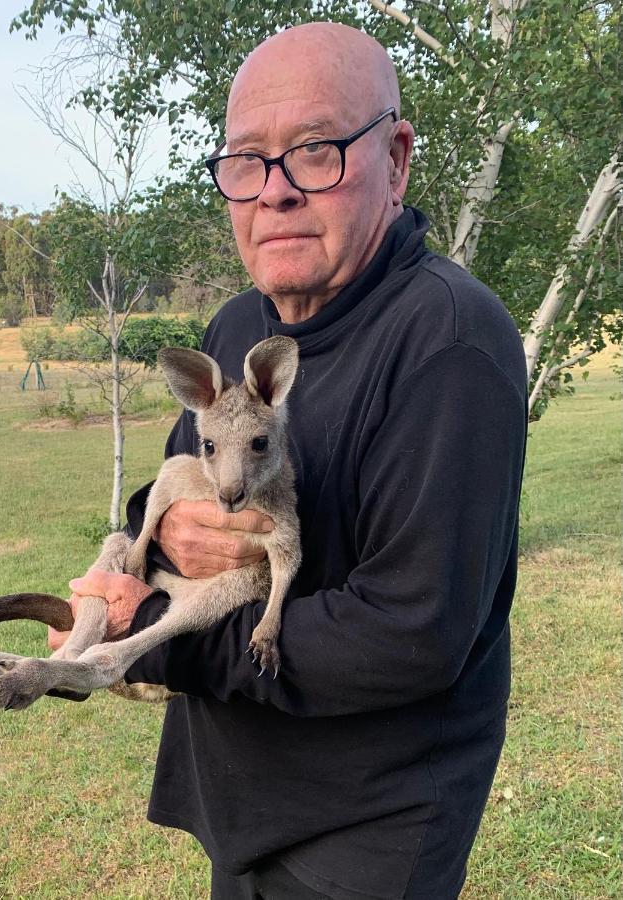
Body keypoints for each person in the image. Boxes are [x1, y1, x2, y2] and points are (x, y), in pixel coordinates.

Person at [50, 22, 527, 899]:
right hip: (242, 786)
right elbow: (177, 488)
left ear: (396, 158)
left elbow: (412, 633)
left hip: (370, 823)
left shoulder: (451, 344)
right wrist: (127, 561)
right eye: (246, 161)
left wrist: (155, 650)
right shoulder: (240, 326)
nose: (274, 193)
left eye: (315, 151)